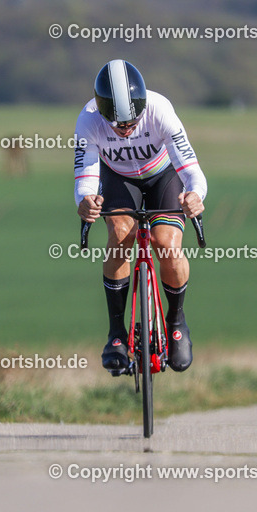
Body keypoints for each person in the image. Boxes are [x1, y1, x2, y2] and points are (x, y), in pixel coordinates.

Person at [73, 60, 207, 373]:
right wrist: (85, 201)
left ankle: (176, 323)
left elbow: (189, 166)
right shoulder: (88, 119)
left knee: (166, 243)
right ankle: (116, 333)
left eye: (132, 121)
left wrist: (195, 196)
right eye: (117, 124)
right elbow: (86, 174)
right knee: (120, 234)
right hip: (119, 178)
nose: (126, 128)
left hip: (163, 175)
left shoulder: (160, 109)